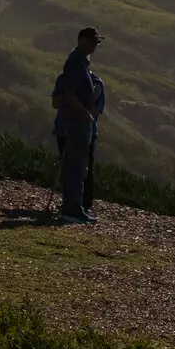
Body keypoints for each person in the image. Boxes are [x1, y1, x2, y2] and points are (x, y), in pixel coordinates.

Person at [53, 26, 106, 223]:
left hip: (78, 124)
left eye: (97, 42)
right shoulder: (75, 63)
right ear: (81, 40)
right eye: (93, 41)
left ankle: (76, 207)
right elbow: (68, 94)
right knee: (76, 166)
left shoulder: (81, 64)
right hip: (76, 124)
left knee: (79, 167)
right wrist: (85, 114)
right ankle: (71, 209)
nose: (95, 45)